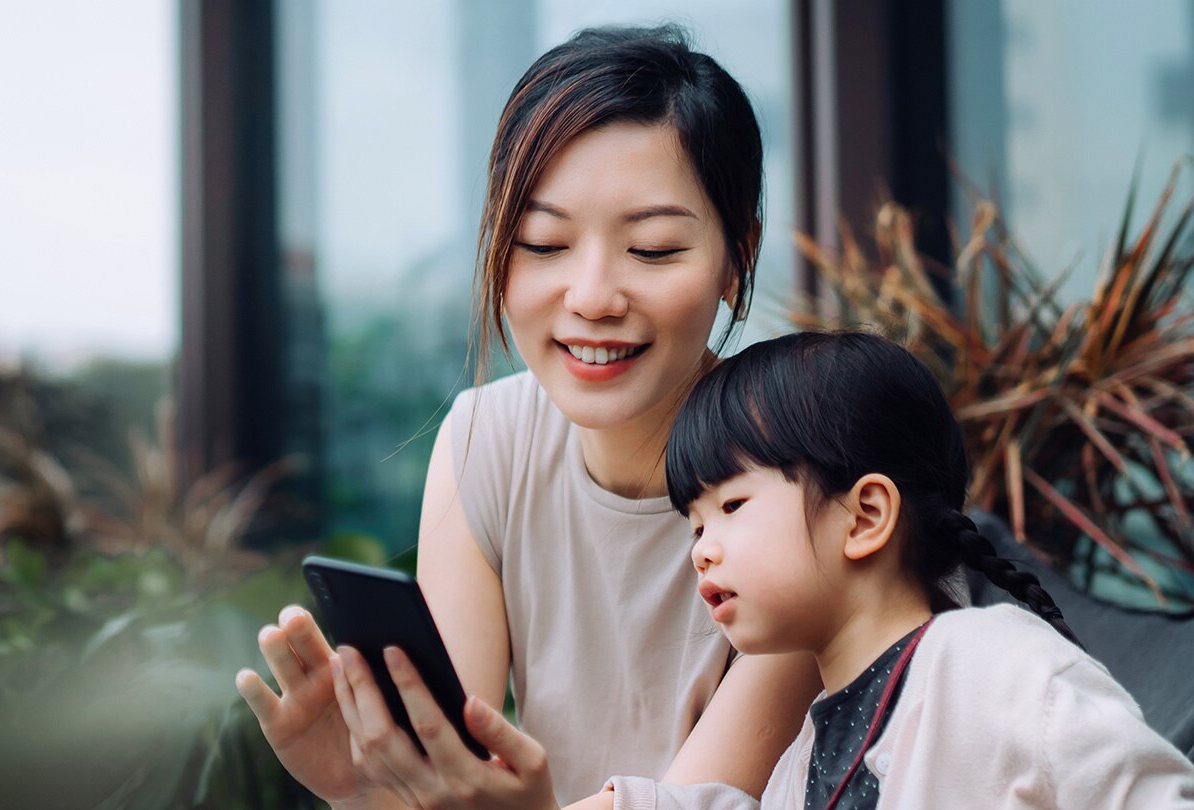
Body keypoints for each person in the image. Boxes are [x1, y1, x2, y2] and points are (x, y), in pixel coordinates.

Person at [235, 24, 822, 808]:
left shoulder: (808, 485)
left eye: (651, 250)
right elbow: (457, 776)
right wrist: (374, 794)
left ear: (736, 259)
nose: (591, 297)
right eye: (544, 243)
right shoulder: (488, 442)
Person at [584, 331, 1194, 808]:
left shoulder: (988, 663)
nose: (702, 549)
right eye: (695, 525)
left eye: (732, 506)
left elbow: (1137, 788)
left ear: (865, 516)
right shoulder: (800, 765)